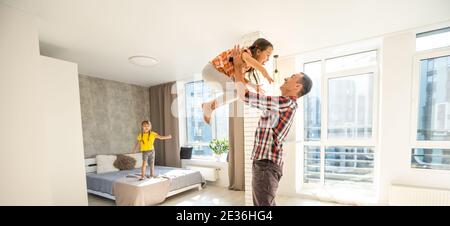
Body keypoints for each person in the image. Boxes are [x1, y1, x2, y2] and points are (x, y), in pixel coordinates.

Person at [232, 48, 313, 206]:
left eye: (291, 77)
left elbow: (244, 96)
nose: (285, 77)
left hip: (266, 165)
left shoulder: (286, 103)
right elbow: (258, 101)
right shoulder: (281, 105)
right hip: (265, 164)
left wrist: (236, 66)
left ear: (297, 87)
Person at [201, 38, 274, 124]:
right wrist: (264, 72)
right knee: (236, 91)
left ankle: (209, 106)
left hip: (215, 74)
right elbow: (249, 60)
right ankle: (208, 106)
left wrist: (253, 85)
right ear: (258, 52)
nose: (268, 59)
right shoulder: (245, 53)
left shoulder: (247, 65)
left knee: (236, 93)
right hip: (211, 70)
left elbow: (240, 77)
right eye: (268, 55)